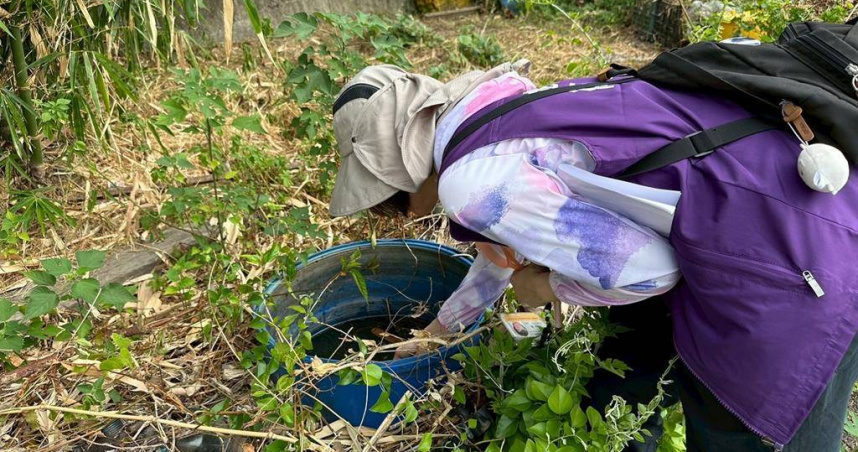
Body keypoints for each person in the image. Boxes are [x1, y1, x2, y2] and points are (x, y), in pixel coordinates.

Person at [327, 61, 858, 451]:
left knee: (740, 434)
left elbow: (653, 272)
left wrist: (549, 289)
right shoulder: (490, 110)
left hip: (793, 269)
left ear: (396, 164)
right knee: (620, 393)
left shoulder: (467, 181)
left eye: (386, 197)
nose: (397, 213)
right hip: (768, 205)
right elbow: (506, 238)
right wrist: (443, 327)